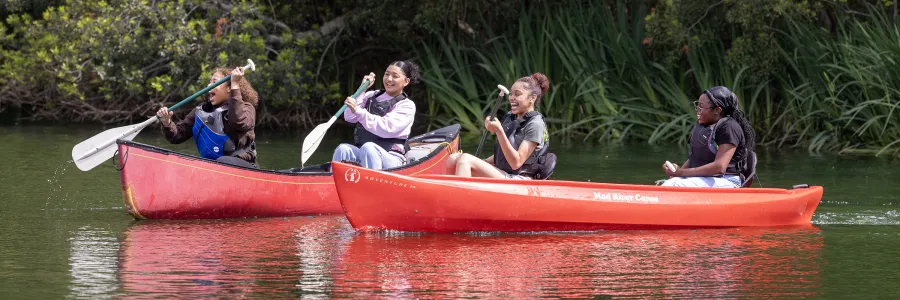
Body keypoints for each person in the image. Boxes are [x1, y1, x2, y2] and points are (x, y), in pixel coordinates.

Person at [447, 72, 555, 179]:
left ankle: (462, 195)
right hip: (504, 174)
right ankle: (449, 194)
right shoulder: (510, 118)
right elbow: (503, 155)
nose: (511, 98)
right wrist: (483, 163)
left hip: (521, 180)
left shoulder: (535, 124)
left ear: (532, 98)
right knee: (453, 159)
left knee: (465, 159)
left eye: (517, 94)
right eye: (511, 94)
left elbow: (516, 163)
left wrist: (499, 131)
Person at [156, 66, 260, 168]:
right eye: (209, 82)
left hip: (243, 168)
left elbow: (238, 121)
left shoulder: (247, 108)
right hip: (212, 168)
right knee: (190, 161)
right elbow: (177, 136)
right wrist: (166, 122)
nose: (209, 85)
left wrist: (235, 84)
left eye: (214, 82)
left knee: (223, 161)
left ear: (229, 88)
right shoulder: (202, 111)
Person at [661, 86, 757, 188]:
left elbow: (719, 167)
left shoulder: (729, 127)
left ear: (717, 110)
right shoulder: (705, 125)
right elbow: (696, 157)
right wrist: (676, 173)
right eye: (697, 106)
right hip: (706, 178)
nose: (698, 110)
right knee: (671, 182)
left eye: (702, 107)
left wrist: (681, 173)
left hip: (728, 181)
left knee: (675, 184)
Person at [332, 60, 420, 170]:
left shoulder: (406, 105)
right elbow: (349, 117)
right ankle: (332, 184)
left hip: (392, 158)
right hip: (365, 152)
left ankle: (371, 185)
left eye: (395, 76)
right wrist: (361, 90)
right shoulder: (371, 95)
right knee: (343, 149)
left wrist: (359, 111)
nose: (389, 79)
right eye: (387, 74)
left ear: (406, 81)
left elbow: (386, 128)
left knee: (369, 148)